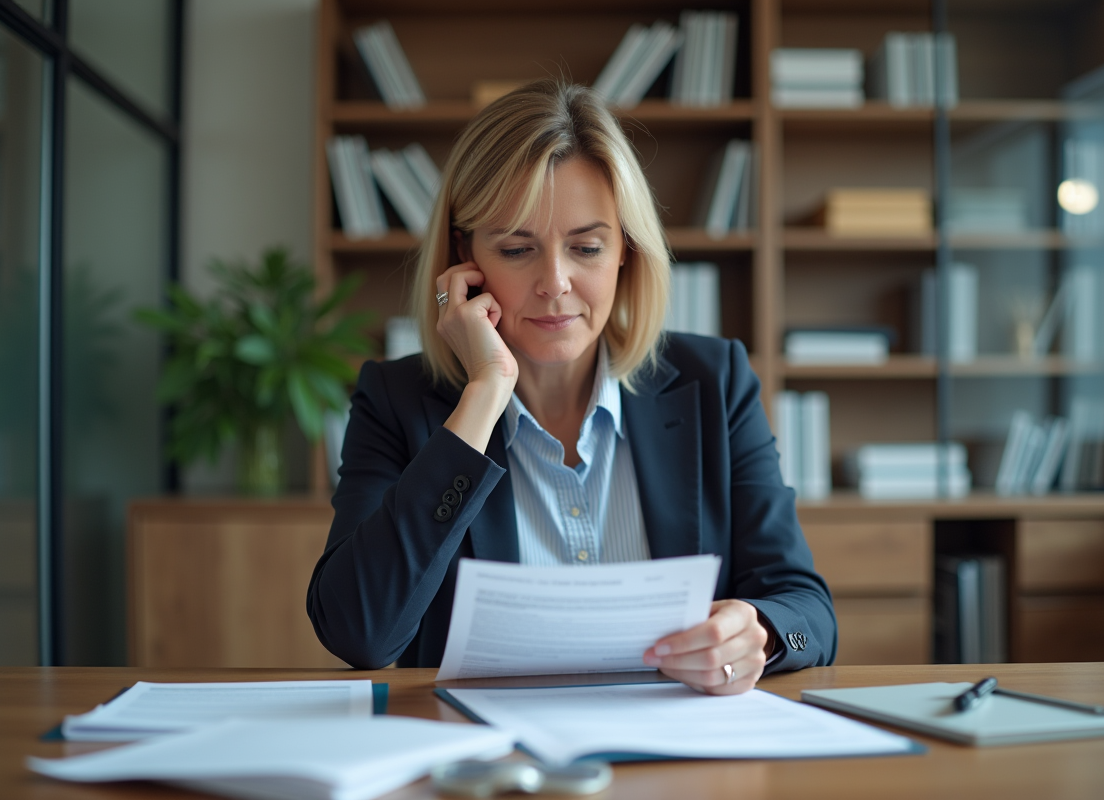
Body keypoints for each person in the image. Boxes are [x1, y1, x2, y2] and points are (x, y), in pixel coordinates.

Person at [307, 79, 835, 694]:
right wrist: (484, 392)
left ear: (625, 253)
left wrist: (766, 634)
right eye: (516, 248)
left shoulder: (713, 382)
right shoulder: (395, 400)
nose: (555, 282)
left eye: (586, 246)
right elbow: (358, 635)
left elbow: (813, 622)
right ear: (464, 256)